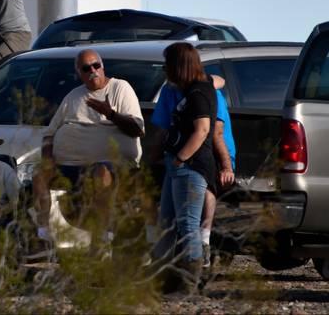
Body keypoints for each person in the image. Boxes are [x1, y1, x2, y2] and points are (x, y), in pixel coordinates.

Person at [33, 48, 145, 250]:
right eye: (87, 68)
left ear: (103, 66)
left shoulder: (120, 88)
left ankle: (103, 235)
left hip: (112, 165)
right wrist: (48, 161)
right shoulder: (73, 96)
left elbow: (137, 129)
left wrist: (110, 114)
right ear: (79, 72)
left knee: (100, 172)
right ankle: (43, 234)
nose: (93, 70)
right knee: (39, 176)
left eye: (96, 65)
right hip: (70, 166)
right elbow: (49, 134)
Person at [150, 77, 235, 269]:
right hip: (181, 156)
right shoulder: (169, 91)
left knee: (204, 186)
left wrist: (226, 166)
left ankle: (204, 239)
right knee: (168, 211)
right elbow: (162, 129)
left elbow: (215, 132)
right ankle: (162, 262)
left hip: (212, 154)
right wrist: (154, 160)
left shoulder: (204, 92)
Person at [156, 42, 218, 294]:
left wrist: (181, 157)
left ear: (178, 66)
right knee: (170, 222)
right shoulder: (201, 86)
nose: (165, 69)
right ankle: (171, 277)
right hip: (179, 166)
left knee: (188, 223)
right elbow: (218, 79)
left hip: (190, 167)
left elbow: (202, 130)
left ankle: (190, 282)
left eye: (167, 64)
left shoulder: (197, 94)